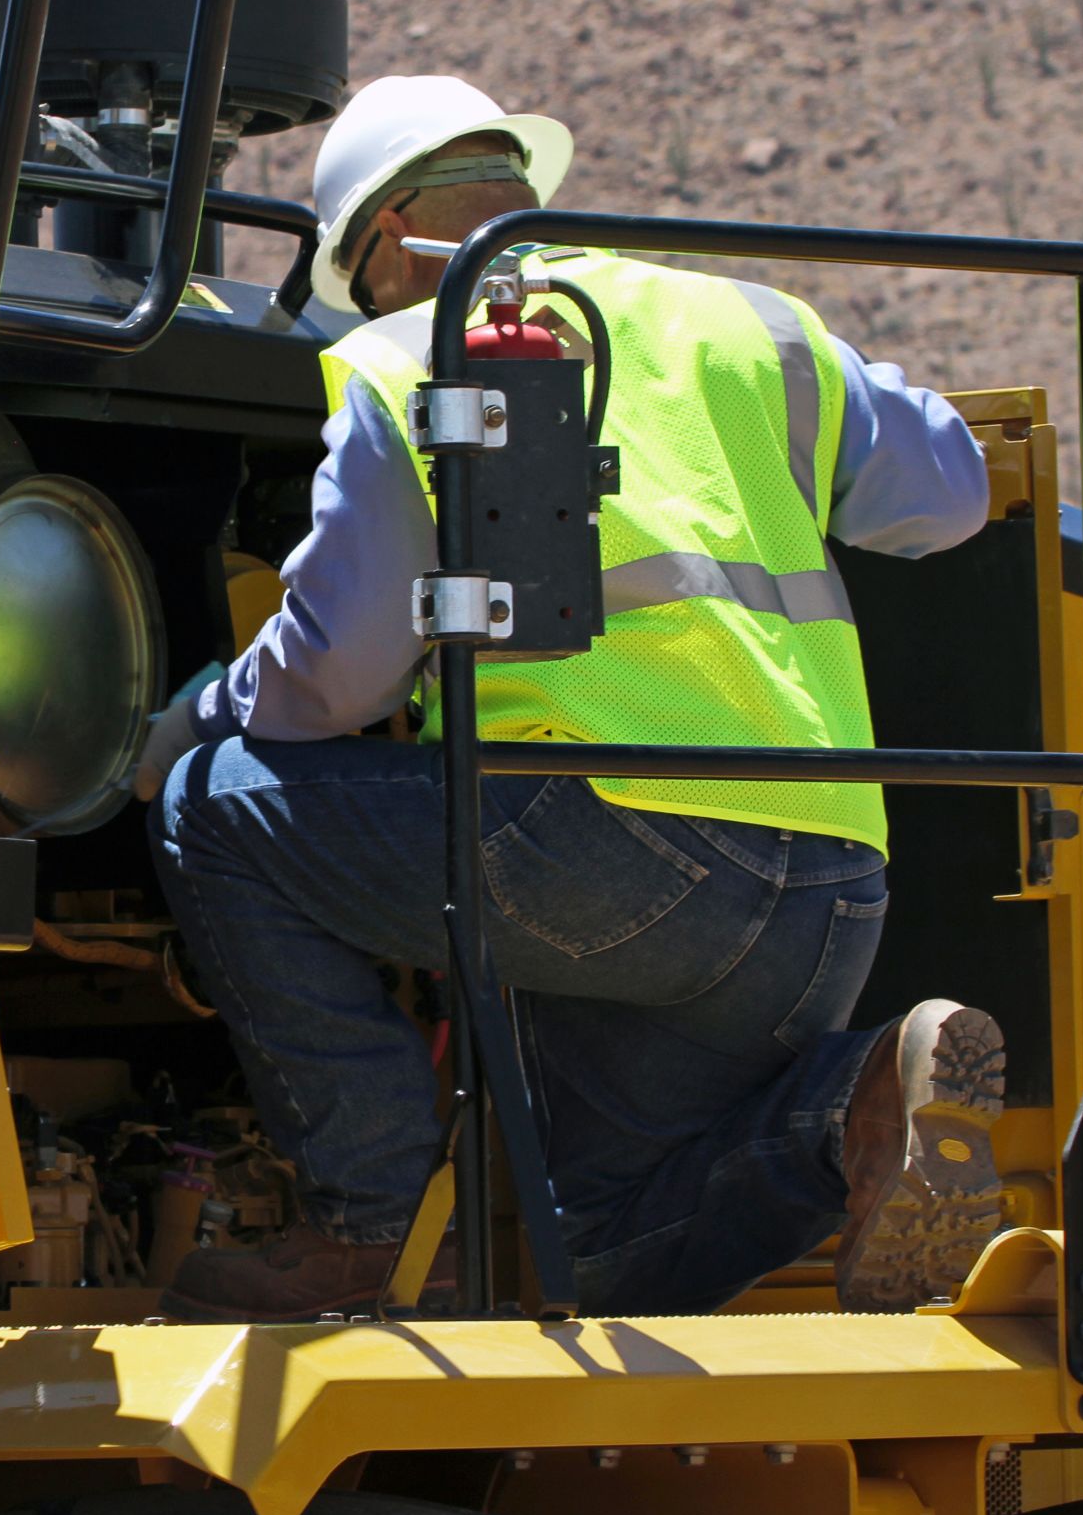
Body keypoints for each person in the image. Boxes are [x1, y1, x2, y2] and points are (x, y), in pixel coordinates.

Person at [138, 75, 1003, 1322]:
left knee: (213, 808)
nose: (368, 305)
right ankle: (857, 1100)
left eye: (359, 280)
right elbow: (949, 494)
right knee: (591, 1252)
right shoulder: (751, 324)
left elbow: (334, 678)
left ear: (382, 241)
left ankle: (370, 1228)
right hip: (829, 883)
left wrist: (194, 722)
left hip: (610, 854)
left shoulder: (406, 350)